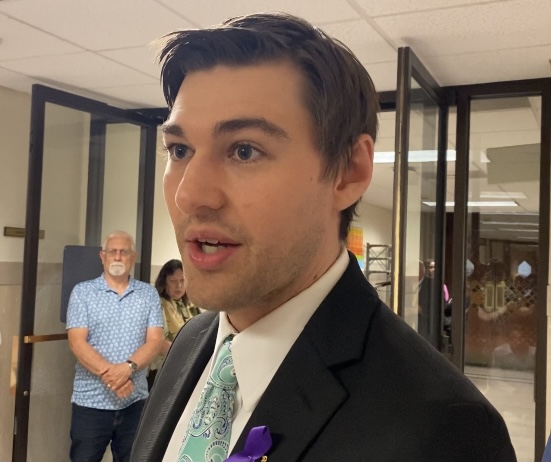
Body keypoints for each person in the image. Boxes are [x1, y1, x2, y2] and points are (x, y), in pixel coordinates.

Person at [132, 12, 516, 461]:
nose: (188, 194)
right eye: (180, 150)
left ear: (348, 172)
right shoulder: (192, 344)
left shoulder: (443, 430)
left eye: (244, 150)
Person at [66, 230, 164, 462]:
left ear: (133, 257)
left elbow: (155, 341)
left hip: (134, 401)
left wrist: (127, 369)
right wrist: (114, 377)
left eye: (124, 252)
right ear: (103, 256)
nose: (118, 257)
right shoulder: (83, 293)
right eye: (113, 252)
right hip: (90, 403)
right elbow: (76, 342)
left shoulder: (148, 294)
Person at [148, 259, 201, 389]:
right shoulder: (157, 304)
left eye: (182, 280)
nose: (179, 286)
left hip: (189, 369)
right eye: (173, 281)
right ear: (164, 282)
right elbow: (158, 343)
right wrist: (188, 357)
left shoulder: (190, 304)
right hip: (164, 371)